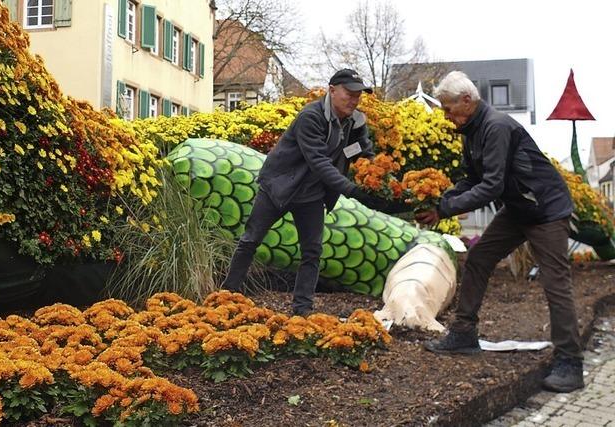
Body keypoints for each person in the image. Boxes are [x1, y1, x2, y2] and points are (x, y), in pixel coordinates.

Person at [417, 71, 584, 393]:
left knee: (555, 283)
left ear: (467, 100)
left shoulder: (496, 126)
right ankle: (464, 334)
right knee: (479, 258)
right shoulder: (471, 130)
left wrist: (444, 210)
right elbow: (472, 179)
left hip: (546, 210)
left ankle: (570, 363)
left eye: (448, 108)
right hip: (520, 207)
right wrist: (440, 199)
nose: (445, 115)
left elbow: (491, 186)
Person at [221, 69, 400, 316]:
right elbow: (319, 161)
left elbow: (364, 155)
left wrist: (382, 182)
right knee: (251, 239)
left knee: (312, 251)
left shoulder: (356, 121)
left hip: (312, 193)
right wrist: (352, 190)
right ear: (332, 89)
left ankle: (302, 311)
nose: (354, 100)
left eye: (358, 95)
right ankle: (227, 298)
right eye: (349, 93)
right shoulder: (310, 117)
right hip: (280, 185)